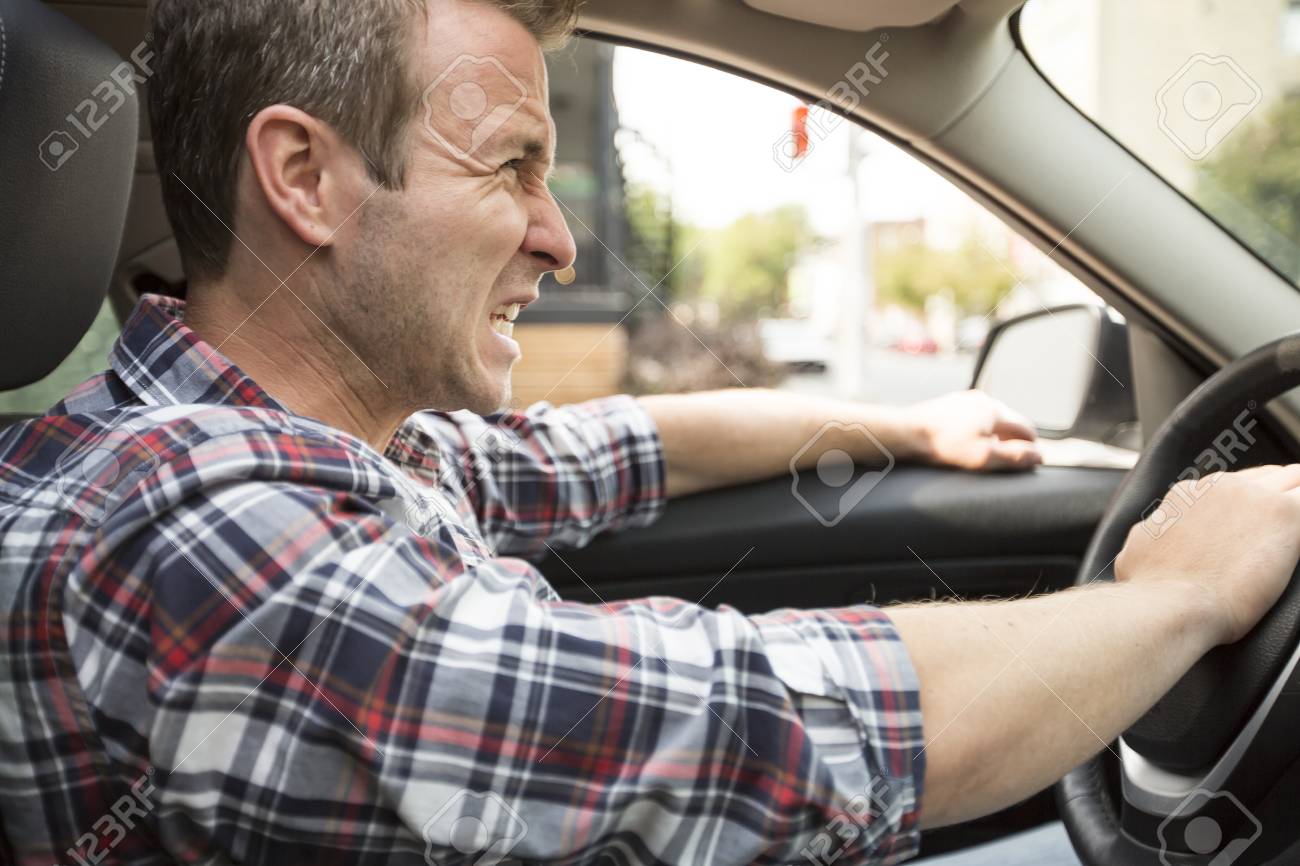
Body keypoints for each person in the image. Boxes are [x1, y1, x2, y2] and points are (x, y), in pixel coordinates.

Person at [3, 1, 1299, 864]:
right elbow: (734, 729)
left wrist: (905, 421)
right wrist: (1175, 595)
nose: (559, 237)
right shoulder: (195, 525)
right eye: (507, 166)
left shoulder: (309, 447)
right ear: (302, 178)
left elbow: (626, 443)